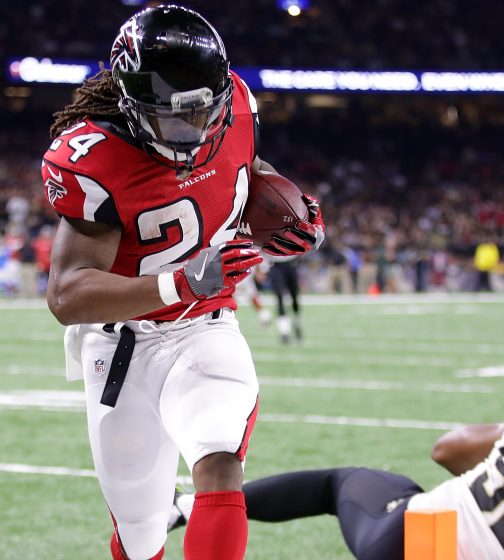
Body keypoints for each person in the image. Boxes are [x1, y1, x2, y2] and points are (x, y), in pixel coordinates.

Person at [42, 6, 324, 560]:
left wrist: (286, 204)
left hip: (207, 326)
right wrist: (179, 283)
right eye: (172, 118)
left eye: (202, 113)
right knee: (141, 530)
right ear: (132, 105)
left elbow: (247, 165)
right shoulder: (94, 160)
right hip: (122, 343)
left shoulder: (237, 104)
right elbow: (67, 294)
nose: (192, 130)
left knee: (220, 457)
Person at [170, 378, 504, 560]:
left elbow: (447, 451)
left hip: (419, 540)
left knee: (341, 484)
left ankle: (186, 505)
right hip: (419, 540)